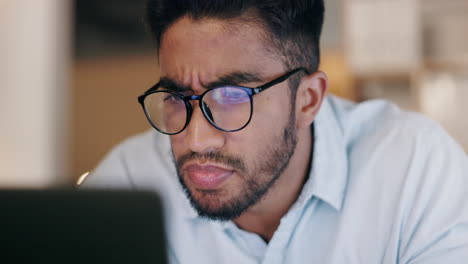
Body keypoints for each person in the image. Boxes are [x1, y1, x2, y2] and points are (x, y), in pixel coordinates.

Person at [81, 0, 468, 263]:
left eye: (231, 96)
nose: (195, 139)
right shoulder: (126, 184)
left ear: (308, 99)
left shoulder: (415, 169)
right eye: (176, 96)